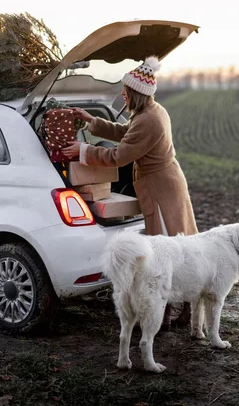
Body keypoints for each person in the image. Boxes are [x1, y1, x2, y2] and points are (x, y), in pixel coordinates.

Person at [62, 55, 198, 326]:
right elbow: (126, 132)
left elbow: (119, 157)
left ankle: (168, 313)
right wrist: (92, 121)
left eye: (126, 90)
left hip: (160, 189)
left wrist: (83, 150)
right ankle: (185, 311)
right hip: (166, 182)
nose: (122, 93)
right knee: (180, 244)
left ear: (137, 93)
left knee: (166, 249)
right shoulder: (151, 112)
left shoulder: (149, 120)